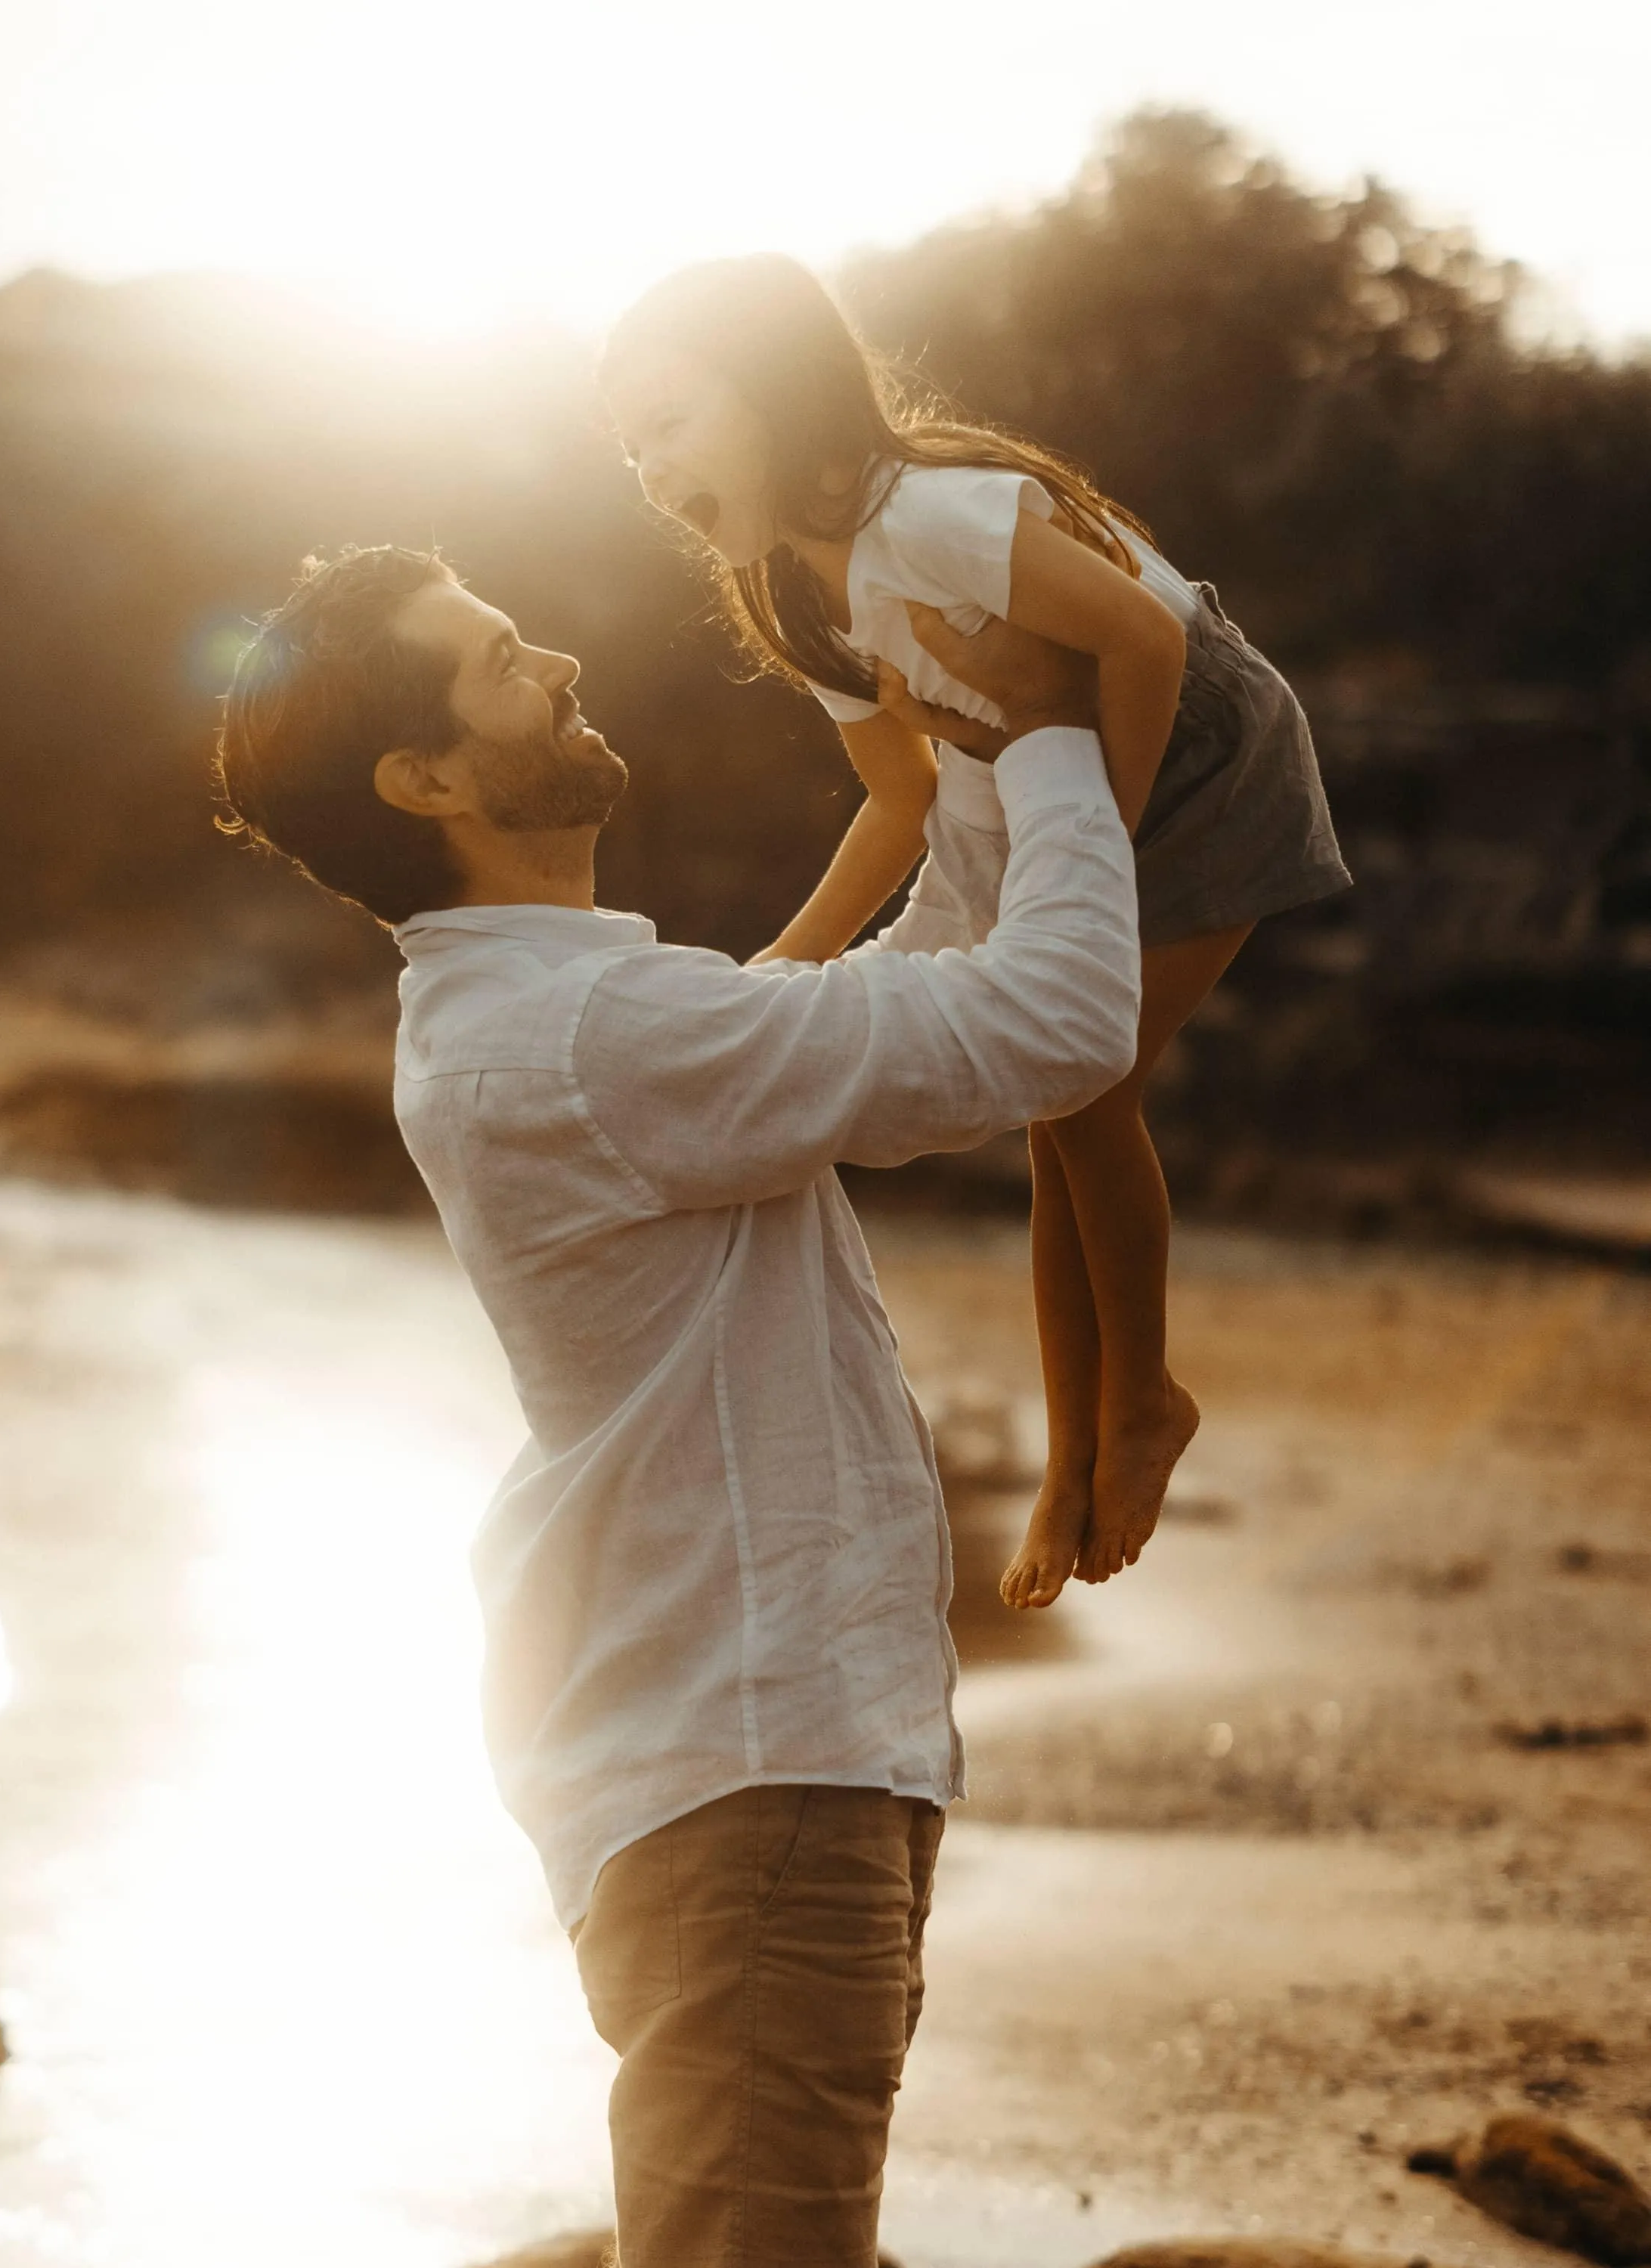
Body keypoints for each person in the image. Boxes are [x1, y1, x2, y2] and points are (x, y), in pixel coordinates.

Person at [214, 541, 1140, 2268]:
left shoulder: (574, 1018)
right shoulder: (590, 1035)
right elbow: (1066, 1019)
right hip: (752, 1773)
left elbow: (923, 1007)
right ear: (420, 778)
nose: (555, 653)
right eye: (498, 659)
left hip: (759, 1762)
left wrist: (982, 776)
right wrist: (1059, 728)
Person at [602, 253, 1351, 1610]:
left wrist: (1097, 860)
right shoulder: (795, 594)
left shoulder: (929, 520)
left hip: (1199, 756)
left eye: (671, 424)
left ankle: (1139, 1409)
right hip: (1040, 786)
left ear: (775, 397)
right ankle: (1081, 1452)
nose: (651, 470)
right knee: (1058, 1103)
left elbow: (1141, 641)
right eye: (629, 447)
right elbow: (902, 791)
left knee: (1088, 1084)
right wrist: (790, 964)